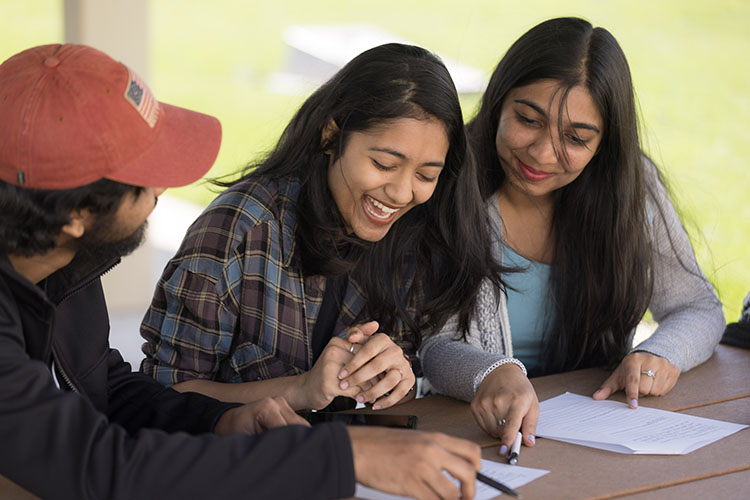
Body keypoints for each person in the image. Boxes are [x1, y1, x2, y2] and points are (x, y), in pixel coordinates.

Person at [0, 43, 483, 500]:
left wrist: (223, 421)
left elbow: (113, 392)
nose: (166, 187)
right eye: (147, 176)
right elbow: (105, 469)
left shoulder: (61, 266)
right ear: (76, 216)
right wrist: (335, 455)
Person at [419, 17, 725, 457]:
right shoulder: (446, 181)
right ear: (498, 102)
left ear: (605, 142)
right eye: (527, 119)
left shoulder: (630, 187)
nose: (543, 154)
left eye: (576, 138)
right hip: (469, 436)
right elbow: (433, 345)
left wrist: (661, 353)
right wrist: (491, 372)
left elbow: (696, 305)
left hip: (598, 435)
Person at [140, 43, 500, 412]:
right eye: (384, 164)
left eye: (426, 175)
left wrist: (395, 381)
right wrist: (299, 389)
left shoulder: (413, 232)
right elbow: (163, 396)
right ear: (331, 136)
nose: (402, 193)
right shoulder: (238, 230)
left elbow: (399, 392)